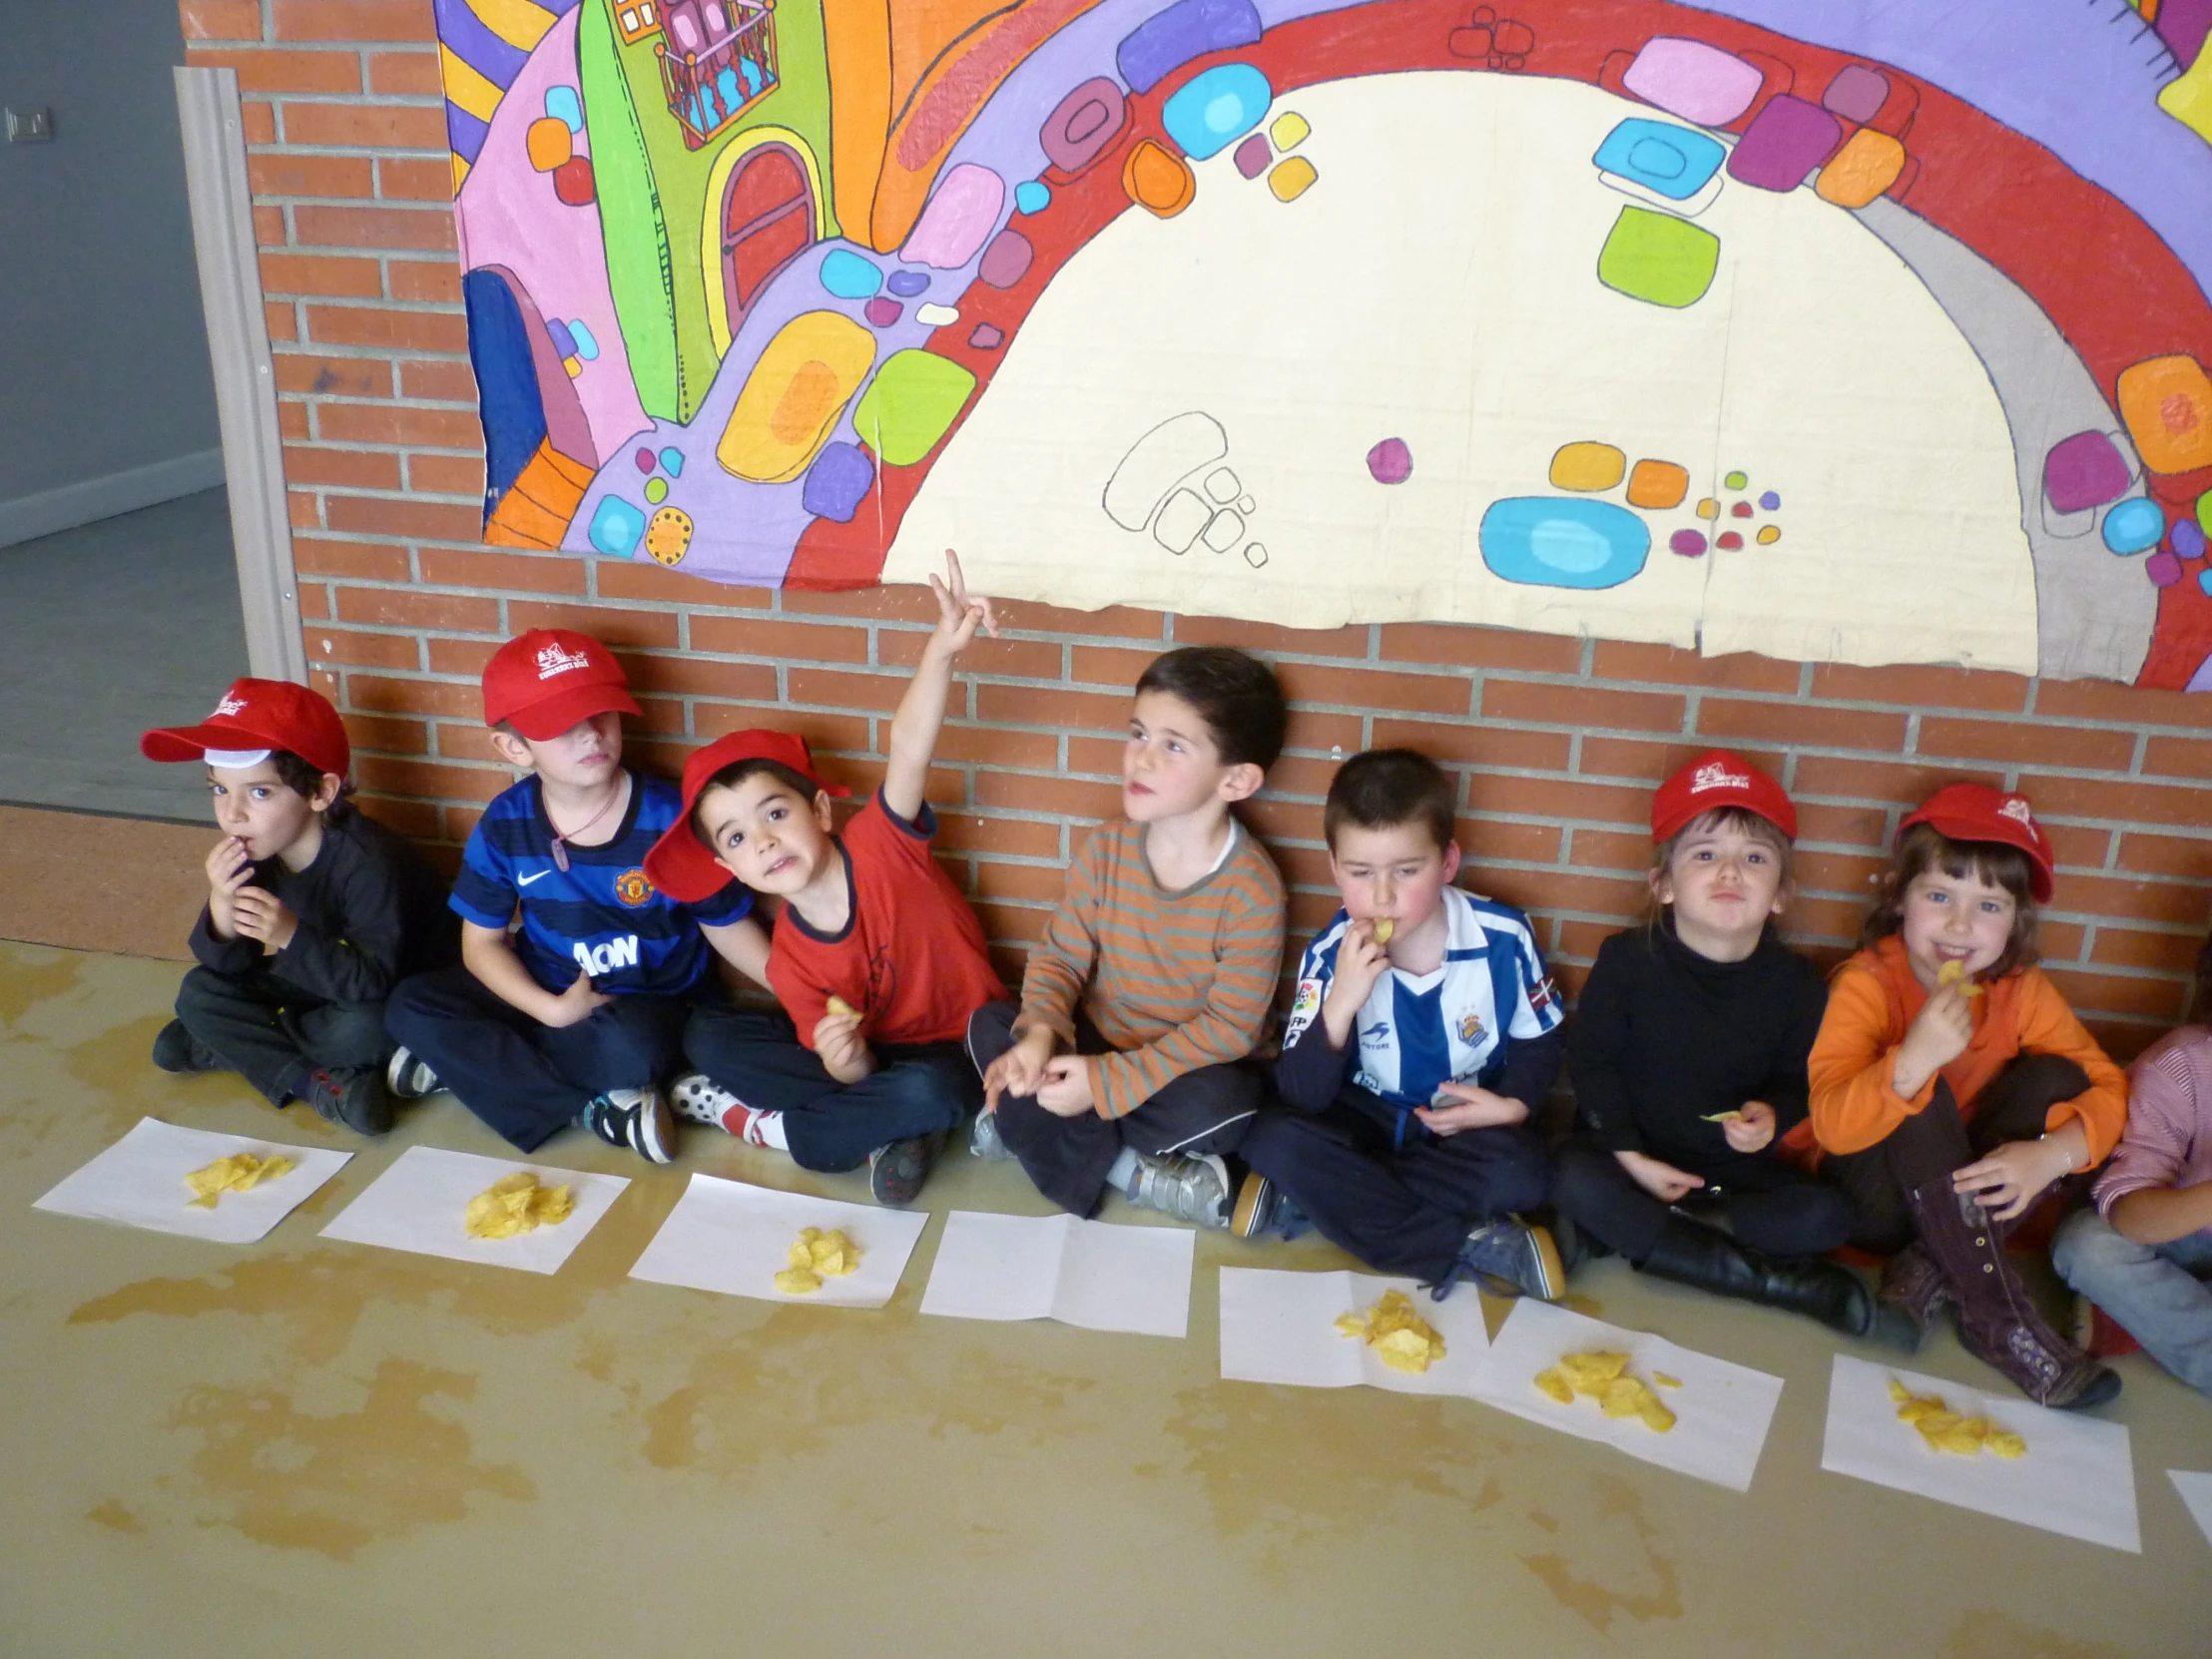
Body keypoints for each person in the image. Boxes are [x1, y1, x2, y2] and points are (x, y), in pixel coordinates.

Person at [646, 553, 1006, 1206]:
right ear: (731, 867)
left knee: (936, 1090)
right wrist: (846, 1058)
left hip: (958, 1048)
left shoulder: (880, 843)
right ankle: (895, 1130)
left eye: (775, 814)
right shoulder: (790, 959)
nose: (764, 840)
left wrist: (941, 653)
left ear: (819, 810)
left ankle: (811, 1130)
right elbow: (853, 1069)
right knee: (708, 1034)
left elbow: (908, 749)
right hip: (878, 1064)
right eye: (737, 838)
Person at [383, 629, 769, 1163]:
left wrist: (805, 992)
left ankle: (471, 1072)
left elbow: (725, 926)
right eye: (563, 726)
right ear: (515, 747)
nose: (591, 734)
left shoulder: (670, 817)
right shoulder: (507, 822)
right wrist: (551, 1009)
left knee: (633, 1049)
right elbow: (481, 946)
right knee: (410, 1006)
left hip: (644, 1003)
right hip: (549, 986)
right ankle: (592, 1109)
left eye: (602, 714)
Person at [1552, 751, 1897, 1338]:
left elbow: (1798, 1081)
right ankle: (1771, 1282)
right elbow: (1593, 1065)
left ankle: (1656, 1237)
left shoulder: (1796, 984)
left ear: (1781, 894)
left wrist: (1771, 1116)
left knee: (1831, 1216)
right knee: (1564, 1172)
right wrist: (1632, 1161)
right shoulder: (1627, 961)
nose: (1730, 873)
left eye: (1754, 858)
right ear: (1663, 884)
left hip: (1727, 1183)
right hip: (1628, 1158)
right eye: (1706, 855)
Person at [1809, 784, 2128, 1407]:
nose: (1960, 925)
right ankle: (1998, 1320)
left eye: (1989, 905)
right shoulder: (1867, 982)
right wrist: (1911, 1063)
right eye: (1938, 896)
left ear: (2015, 923)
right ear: (1900, 901)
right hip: (1876, 1197)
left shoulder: (2021, 988)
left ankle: (1927, 1270)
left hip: (1955, 1190)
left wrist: (2053, 1156)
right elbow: (1830, 1126)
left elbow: (2110, 1086)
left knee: (2060, 1078)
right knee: (1924, 1093)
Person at [969, 645, 1287, 1227]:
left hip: (1180, 1067)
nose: (1140, 760)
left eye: (1173, 745)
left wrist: (1106, 1084)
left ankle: (1041, 1135)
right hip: (1094, 1039)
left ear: (1237, 779)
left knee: (1232, 1106)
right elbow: (1061, 958)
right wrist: (1041, 1034)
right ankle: (1135, 1170)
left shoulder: (1252, 889)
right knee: (991, 1026)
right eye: (1138, 734)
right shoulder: (1107, 849)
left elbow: (1231, 1027)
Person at [1232, 748, 1564, 1300]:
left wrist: (1515, 1106)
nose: (1383, 897)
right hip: (1362, 1121)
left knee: (1528, 1173)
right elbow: (1301, 1096)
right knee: (1271, 1138)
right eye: (1361, 873)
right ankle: (1461, 1243)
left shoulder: (1503, 936)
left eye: (1406, 872)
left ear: (1448, 863)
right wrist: (1341, 1003)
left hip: (1456, 1129)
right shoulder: (1331, 952)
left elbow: (1543, 1040)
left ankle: (1328, 1200)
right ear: (1334, 867)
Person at [143, 677, 455, 1134]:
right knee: (199, 993)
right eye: (219, 789)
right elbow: (225, 966)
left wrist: (289, 935)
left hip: (389, 989)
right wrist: (222, 900)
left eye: (259, 792)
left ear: (320, 793)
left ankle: (231, 1047)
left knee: (364, 1029)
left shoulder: (370, 862)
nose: (233, 813)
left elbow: (371, 982)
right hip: (318, 982)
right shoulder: (257, 847)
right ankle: (318, 1085)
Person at [2052, 933, 2212, 1398]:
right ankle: (2145, 1315)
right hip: (2177, 1234)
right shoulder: (2182, 1066)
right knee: (2087, 1246)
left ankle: (2134, 1320)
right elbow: (2130, 1216)